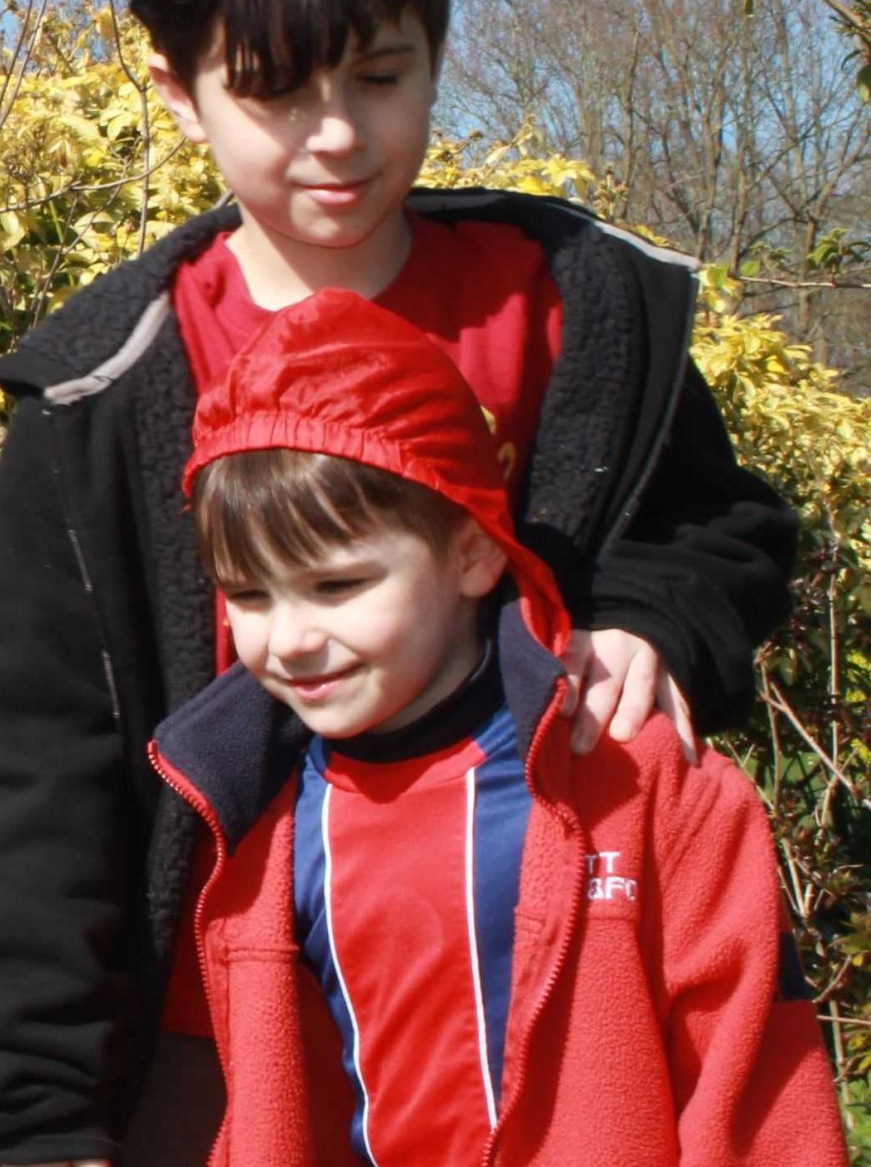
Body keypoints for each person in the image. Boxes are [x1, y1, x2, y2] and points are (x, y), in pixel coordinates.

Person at [0, 0, 799, 1165]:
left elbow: (721, 529)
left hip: (562, 989)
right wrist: (45, 1120)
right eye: (274, 93)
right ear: (178, 92)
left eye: (381, 77)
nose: (337, 135)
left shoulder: (575, 304)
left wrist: (648, 619)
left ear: (437, 55)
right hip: (226, 1035)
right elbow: (39, 781)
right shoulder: (98, 391)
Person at [151, 287, 845, 1164]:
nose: (289, 639)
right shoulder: (250, 818)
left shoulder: (642, 785)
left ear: (474, 551)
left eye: (338, 586)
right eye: (249, 595)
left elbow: (760, 1096)